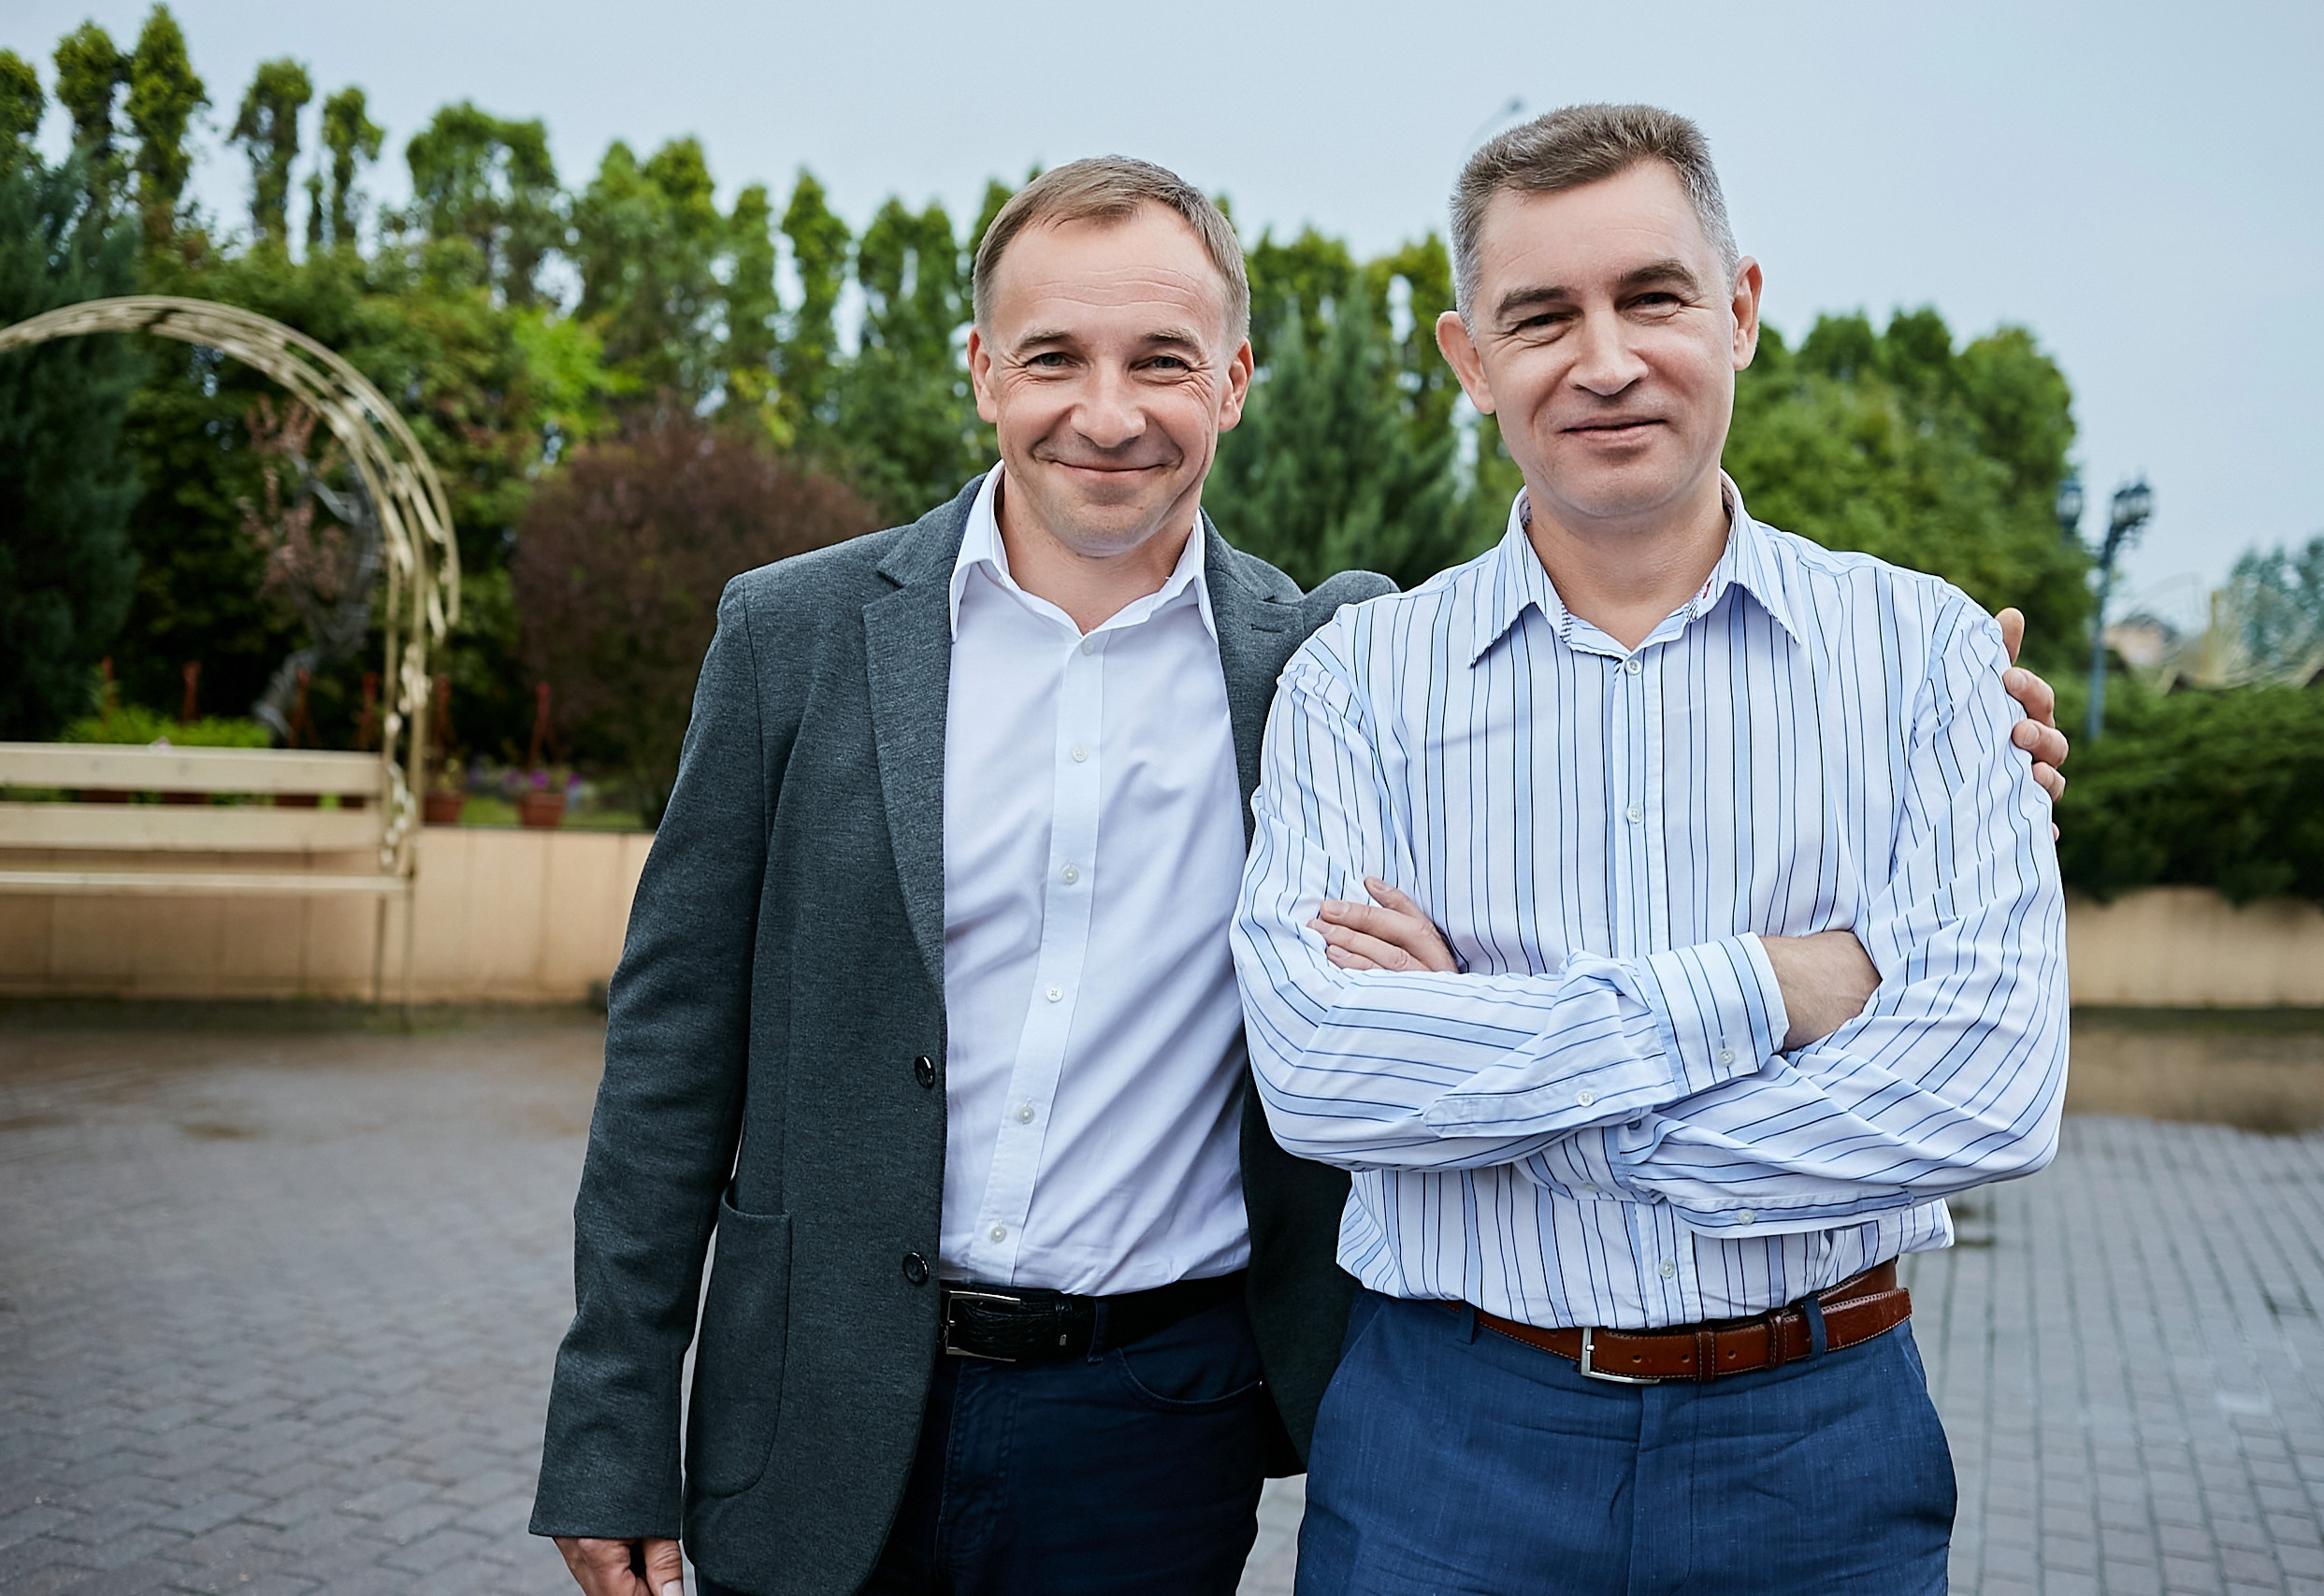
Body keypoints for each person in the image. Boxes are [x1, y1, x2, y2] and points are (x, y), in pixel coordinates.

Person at [533, 155, 2069, 1596]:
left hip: (1160, 1409)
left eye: (1163, 362)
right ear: (985, 371)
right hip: (812, 1394)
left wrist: (1966, 734)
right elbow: (672, 1053)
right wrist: (610, 1430)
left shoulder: (1319, 659)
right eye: (1055, 356)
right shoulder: (795, 638)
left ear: (1236, 383)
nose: (1109, 411)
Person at [1232, 104, 2071, 1596]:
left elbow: (1988, 1086)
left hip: (1817, 1442)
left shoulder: (1926, 654)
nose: (1605, 360)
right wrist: (1771, 989)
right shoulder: (1356, 682)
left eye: (1654, 296)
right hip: (1450, 1441)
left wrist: (1501, 1089)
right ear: (1468, 359)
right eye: (1541, 315)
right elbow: (1319, 1074)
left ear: (1739, 311)